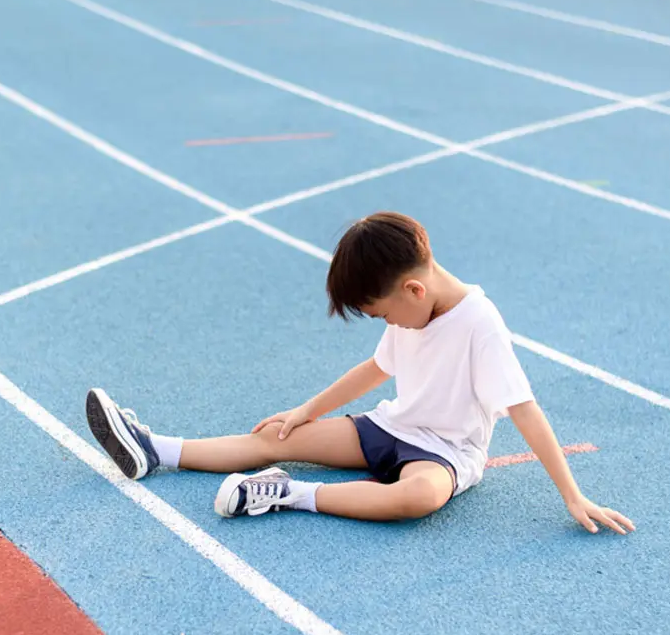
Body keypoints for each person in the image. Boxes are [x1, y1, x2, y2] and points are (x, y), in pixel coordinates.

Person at [85, 211, 633, 534]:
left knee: (418, 498)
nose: (387, 323)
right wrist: (306, 412)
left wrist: (572, 495)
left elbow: (525, 411)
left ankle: (285, 495)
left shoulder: (480, 326)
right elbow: (376, 369)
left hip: (443, 454)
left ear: (413, 291)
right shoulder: (414, 309)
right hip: (388, 428)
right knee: (278, 435)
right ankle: (157, 449)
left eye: (382, 313)